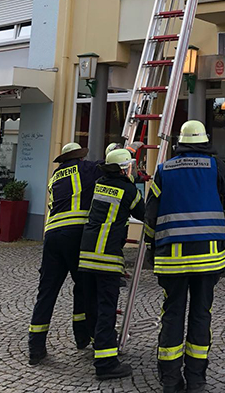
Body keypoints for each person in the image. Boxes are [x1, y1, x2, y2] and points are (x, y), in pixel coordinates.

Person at [144, 120, 225, 393]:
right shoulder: (217, 167)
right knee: (201, 314)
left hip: (172, 258)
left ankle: (171, 379)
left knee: (172, 314)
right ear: (204, 142)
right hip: (209, 257)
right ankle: (196, 379)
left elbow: (150, 216)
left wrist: (151, 245)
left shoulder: (163, 170)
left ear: (180, 144)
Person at [27, 142, 102, 365]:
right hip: (76, 234)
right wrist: (130, 150)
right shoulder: (85, 168)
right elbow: (110, 165)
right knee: (85, 286)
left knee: (47, 292)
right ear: (79, 157)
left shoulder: (55, 177)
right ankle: (86, 336)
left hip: (52, 236)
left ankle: (35, 348)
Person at [79, 147, 145, 380]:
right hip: (107, 258)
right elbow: (145, 214)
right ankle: (106, 363)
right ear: (124, 169)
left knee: (93, 305)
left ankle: (98, 344)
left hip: (86, 255)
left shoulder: (99, 184)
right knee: (107, 308)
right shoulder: (129, 190)